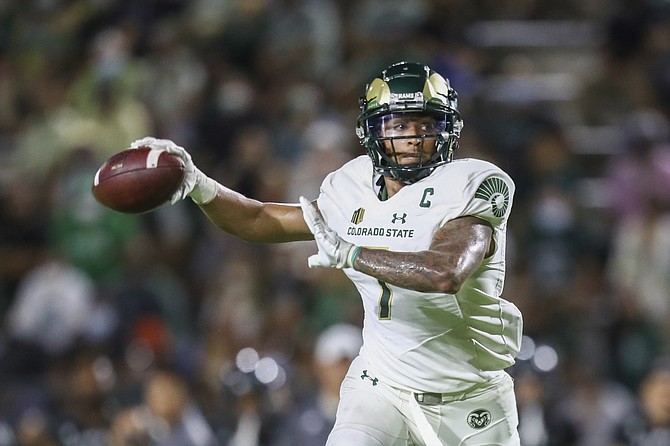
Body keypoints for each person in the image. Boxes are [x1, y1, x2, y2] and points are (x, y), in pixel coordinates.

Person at [129, 61, 523, 445]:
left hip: (469, 397)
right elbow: (258, 219)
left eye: (426, 124)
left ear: (448, 130)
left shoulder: (472, 183)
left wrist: (352, 254)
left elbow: (445, 272)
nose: (413, 138)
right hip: (381, 386)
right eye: (399, 125)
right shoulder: (351, 185)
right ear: (371, 132)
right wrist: (198, 183)